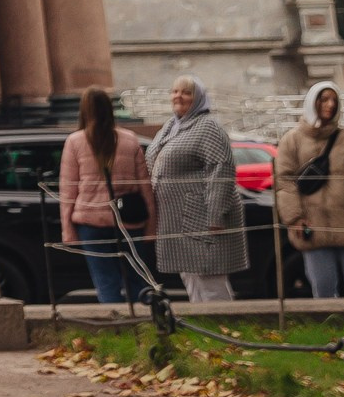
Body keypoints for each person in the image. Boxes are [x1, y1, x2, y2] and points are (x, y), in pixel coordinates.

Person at [144, 75, 247, 302]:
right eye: (175, 91)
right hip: (177, 220)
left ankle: (224, 329)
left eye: (186, 92)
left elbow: (221, 170)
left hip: (202, 219)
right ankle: (204, 330)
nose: (178, 96)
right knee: (191, 279)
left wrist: (215, 216)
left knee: (210, 280)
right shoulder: (171, 126)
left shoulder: (208, 127)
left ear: (198, 98)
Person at [58, 86, 157, 306]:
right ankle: (144, 323)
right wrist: (151, 225)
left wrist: (68, 229)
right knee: (137, 279)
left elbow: (68, 189)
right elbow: (144, 186)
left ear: (84, 110)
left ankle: (116, 327)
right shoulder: (130, 139)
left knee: (105, 281)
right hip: (129, 220)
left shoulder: (75, 141)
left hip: (91, 222)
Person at [275, 81, 344, 298]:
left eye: (334, 100)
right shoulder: (291, 140)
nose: (330, 105)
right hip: (312, 227)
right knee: (323, 288)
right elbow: (284, 182)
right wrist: (294, 218)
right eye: (324, 99)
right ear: (313, 102)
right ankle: (328, 331)